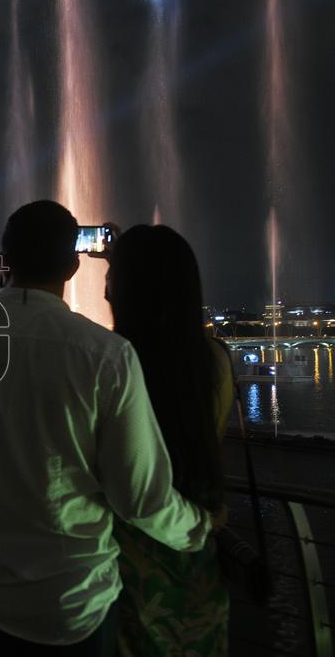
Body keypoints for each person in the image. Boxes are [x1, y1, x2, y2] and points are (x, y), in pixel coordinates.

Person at [0, 201, 220, 656]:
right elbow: (139, 497)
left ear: (3, 263)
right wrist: (199, 527)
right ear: (74, 266)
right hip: (77, 602)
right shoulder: (106, 355)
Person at [105, 225, 231, 656]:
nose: (104, 290)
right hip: (198, 564)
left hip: (124, 564)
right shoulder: (214, 361)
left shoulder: (111, 365)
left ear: (127, 290)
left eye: (112, 279)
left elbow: (130, 487)